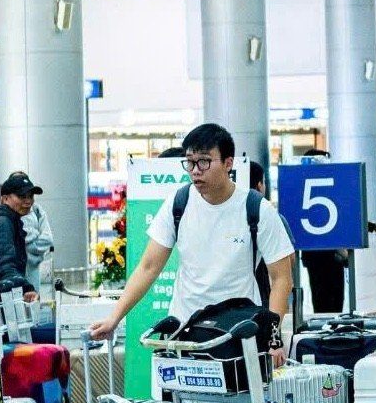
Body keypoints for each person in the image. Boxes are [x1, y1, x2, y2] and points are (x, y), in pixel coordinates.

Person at [89, 123, 296, 365]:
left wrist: (273, 338)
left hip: (239, 331)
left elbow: (282, 278)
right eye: (190, 162)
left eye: (205, 161)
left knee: (238, 401)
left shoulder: (257, 209)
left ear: (228, 163)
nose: (196, 170)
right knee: (180, 402)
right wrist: (114, 318)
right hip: (184, 332)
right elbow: (148, 267)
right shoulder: (178, 203)